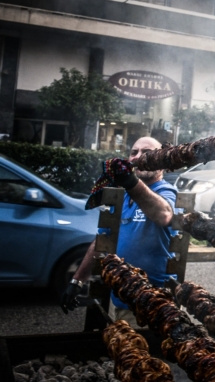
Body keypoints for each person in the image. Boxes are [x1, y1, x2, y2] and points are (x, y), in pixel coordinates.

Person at [60, 137, 177, 326]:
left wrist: (131, 182)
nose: (139, 157)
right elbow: (103, 240)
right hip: (120, 296)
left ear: (162, 162)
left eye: (147, 153)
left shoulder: (166, 191)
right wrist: (77, 280)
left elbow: (164, 214)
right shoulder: (122, 197)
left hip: (151, 302)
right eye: (134, 152)